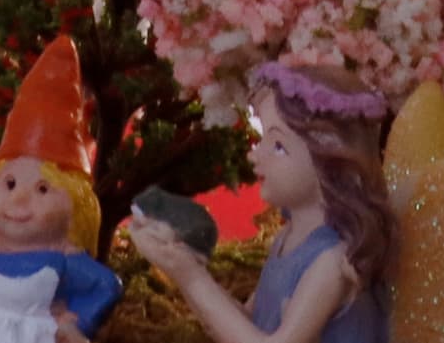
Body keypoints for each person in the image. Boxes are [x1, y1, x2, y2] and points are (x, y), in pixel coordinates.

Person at [129, 58, 394, 343]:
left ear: (330, 160)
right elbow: (248, 324)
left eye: (278, 146)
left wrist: (192, 278)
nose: (256, 155)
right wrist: (183, 269)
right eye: (262, 139)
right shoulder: (286, 239)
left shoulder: (333, 261)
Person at [0, 39, 124, 343]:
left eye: (43, 190)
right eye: (10, 184)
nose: (19, 199)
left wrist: (79, 322)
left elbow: (107, 285)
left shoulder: (64, 259)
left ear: (75, 207)